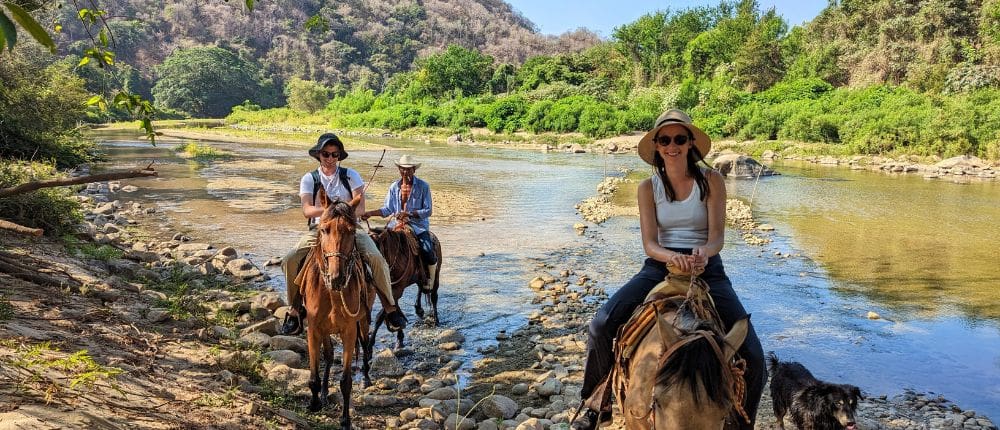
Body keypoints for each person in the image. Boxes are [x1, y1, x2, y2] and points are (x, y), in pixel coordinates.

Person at [573, 109, 765, 430]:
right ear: (657, 147)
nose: (672, 145)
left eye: (679, 138)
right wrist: (671, 257)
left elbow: (717, 237)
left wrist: (702, 253)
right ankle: (596, 404)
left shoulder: (712, 181)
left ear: (691, 143)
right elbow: (650, 243)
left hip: (707, 268)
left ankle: (742, 424)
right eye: (665, 140)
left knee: (755, 356)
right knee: (601, 324)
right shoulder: (647, 188)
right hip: (660, 266)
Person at [279, 133, 408, 336]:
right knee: (290, 259)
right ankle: (295, 310)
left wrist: (343, 214)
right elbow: (307, 210)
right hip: (321, 230)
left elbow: (360, 207)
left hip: (349, 229)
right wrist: (331, 213)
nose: (330, 159)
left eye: (334, 155)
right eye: (325, 154)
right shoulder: (309, 179)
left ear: (339, 156)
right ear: (318, 155)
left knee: (376, 258)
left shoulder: (351, 175)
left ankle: (390, 308)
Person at [361, 154, 437, 287]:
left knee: (428, 250)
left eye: (409, 169)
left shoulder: (423, 186)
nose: (405, 171)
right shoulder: (394, 187)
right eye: (403, 168)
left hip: (417, 226)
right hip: (395, 224)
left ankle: (430, 279)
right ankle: (374, 278)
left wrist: (410, 213)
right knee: (376, 242)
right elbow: (387, 209)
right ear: (399, 169)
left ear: (414, 169)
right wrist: (370, 213)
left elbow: (428, 210)